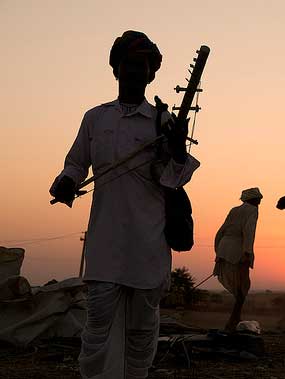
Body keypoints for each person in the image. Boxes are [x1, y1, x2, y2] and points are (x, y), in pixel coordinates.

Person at [49, 30, 200, 378]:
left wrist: (176, 149)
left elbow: (175, 177)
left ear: (151, 74)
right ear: (116, 70)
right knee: (97, 328)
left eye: (141, 66)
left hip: (149, 242)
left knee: (142, 330)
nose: (134, 72)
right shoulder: (95, 118)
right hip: (105, 241)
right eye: (127, 65)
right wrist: (67, 181)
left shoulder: (163, 122)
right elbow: (75, 162)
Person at [213, 187, 262, 332]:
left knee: (240, 288)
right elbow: (249, 231)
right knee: (242, 288)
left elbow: (220, 231)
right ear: (253, 199)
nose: (260, 201)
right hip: (238, 251)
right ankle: (232, 322)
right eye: (259, 198)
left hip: (224, 248)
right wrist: (247, 252)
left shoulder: (234, 210)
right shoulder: (253, 210)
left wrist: (219, 251)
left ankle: (235, 319)